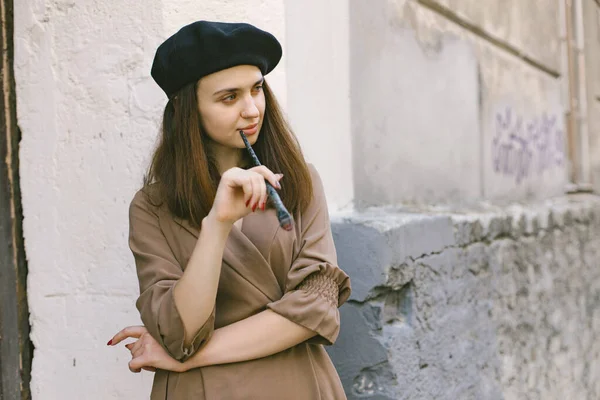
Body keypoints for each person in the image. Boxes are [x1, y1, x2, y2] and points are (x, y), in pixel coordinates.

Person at [107, 20, 351, 399]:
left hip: (298, 383)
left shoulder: (299, 181)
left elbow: (317, 309)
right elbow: (181, 332)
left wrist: (186, 359)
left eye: (257, 89)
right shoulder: (153, 207)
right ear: (188, 108)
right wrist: (217, 224)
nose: (252, 109)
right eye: (229, 97)